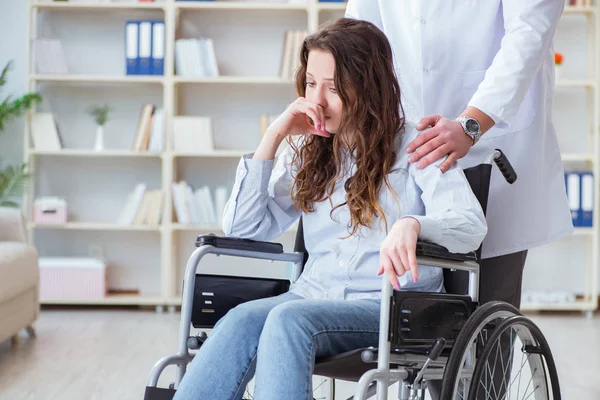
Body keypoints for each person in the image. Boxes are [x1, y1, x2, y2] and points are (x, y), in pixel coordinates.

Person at [173, 18, 487, 400]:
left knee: (288, 320)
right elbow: (244, 226)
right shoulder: (310, 150)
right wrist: (274, 137)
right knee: (240, 320)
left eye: (333, 88)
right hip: (312, 296)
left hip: (387, 307)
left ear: (367, 88)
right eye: (310, 83)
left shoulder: (415, 145)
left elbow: (470, 225)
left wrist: (413, 224)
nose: (317, 100)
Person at [345, 1, 574, 398]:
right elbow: (358, 37)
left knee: (481, 327)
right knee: (419, 325)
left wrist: (471, 124)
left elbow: (530, 32)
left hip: (493, 149)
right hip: (407, 151)